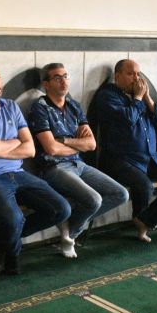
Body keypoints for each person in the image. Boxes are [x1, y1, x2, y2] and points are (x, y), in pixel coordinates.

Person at [0, 62, 71, 275]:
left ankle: (3, 240)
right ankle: (12, 257)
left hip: (17, 173)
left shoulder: (10, 106)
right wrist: (14, 141)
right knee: (14, 218)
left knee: (61, 209)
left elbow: (30, 149)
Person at [28, 63, 128, 257]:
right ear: (46, 84)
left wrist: (65, 141)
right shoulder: (40, 108)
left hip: (78, 164)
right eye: (57, 78)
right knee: (94, 199)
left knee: (120, 194)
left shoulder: (73, 106)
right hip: (53, 168)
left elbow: (91, 144)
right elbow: (51, 148)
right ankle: (69, 232)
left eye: (66, 76)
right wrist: (77, 144)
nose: (64, 81)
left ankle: (69, 230)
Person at [96, 59, 157, 242]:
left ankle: (145, 220)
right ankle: (142, 224)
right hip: (121, 160)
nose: (136, 78)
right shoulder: (107, 95)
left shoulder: (141, 98)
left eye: (138, 74)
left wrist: (147, 98)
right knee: (145, 185)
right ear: (118, 76)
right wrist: (138, 99)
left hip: (150, 158)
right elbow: (127, 120)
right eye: (131, 74)